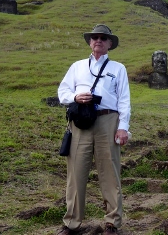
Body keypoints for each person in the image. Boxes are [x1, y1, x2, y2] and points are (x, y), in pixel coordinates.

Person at [57, 24, 131, 235]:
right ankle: (71, 222)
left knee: (110, 171)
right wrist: (75, 97)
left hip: (108, 120)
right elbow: (63, 90)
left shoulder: (118, 69)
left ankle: (112, 223)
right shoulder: (77, 66)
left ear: (110, 43)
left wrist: (123, 128)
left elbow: (124, 100)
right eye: (94, 37)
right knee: (76, 172)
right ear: (90, 42)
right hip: (81, 121)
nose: (98, 40)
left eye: (103, 38)